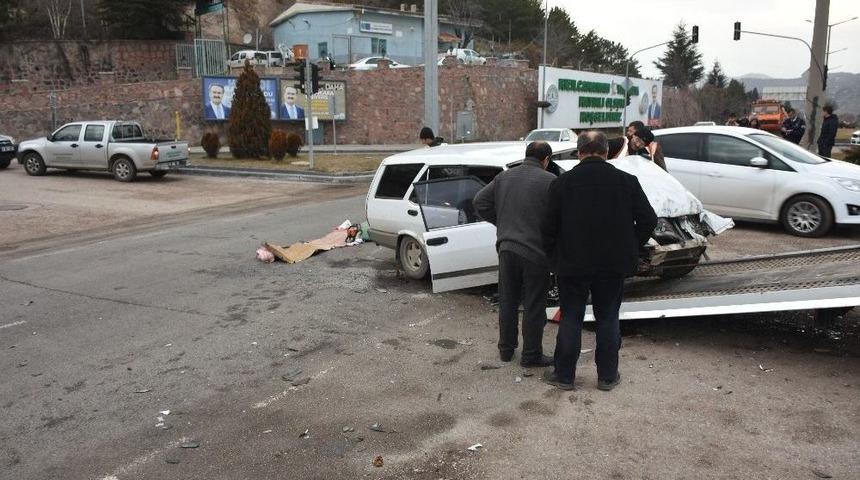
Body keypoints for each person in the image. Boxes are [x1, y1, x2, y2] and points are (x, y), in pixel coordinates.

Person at [541, 131, 657, 391]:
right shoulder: (627, 181)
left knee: (571, 316)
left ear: (579, 152)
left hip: (572, 263)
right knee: (607, 317)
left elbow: (547, 228)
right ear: (607, 152)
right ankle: (607, 376)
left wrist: (554, 256)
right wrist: (630, 246)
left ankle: (565, 376)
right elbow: (649, 220)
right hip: (612, 264)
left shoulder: (562, 183)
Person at [473, 141, 556, 368]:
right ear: (546, 159)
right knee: (533, 305)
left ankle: (506, 350)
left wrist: (502, 222)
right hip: (536, 254)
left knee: (508, 301)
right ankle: (531, 355)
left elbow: (479, 201)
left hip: (507, 249)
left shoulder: (504, 177)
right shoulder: (550, 181)